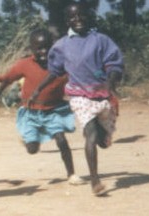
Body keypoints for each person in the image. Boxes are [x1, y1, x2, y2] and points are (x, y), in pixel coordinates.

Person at [29, 3, 124, 196]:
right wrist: (38, 89)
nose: (77, 19)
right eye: (73, 17)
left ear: (89, 16)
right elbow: (54, 70)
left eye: (81, 15)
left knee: (103, 142)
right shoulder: (63, 45)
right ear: (67, 21)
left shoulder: (101, 41)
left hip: (102, 96)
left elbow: (114, 64)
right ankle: (95, 181)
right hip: (79, 96)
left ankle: (102, 133)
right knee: (90, 134)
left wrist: (111, 81)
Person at [0, 29, 84, 185]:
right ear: (31, 49)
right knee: (32, 150)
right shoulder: (24, 64)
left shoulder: (61, 64)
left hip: (54, 110)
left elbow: (78, 75)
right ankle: (30, 140)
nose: (44, 51)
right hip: (31, 111)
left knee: (61, 139)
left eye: (47, 47)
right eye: (39, 48)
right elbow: (9, 78)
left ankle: (71, 174)